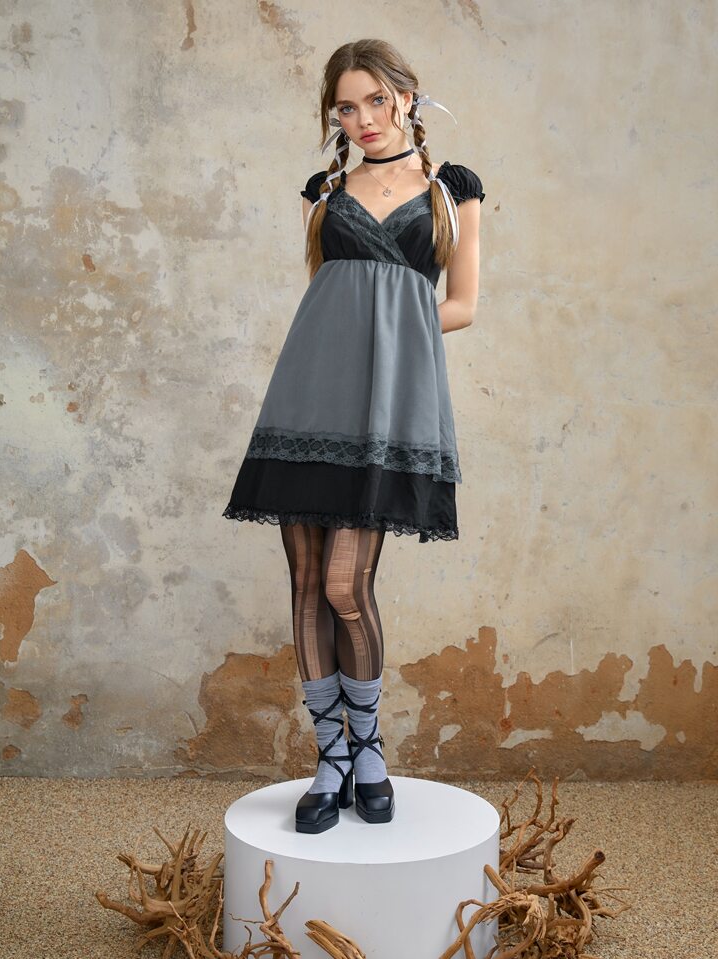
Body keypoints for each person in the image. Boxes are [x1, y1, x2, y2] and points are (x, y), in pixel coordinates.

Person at [222, 38, 484, 834]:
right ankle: (330, 755)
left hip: (386, 406)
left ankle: (367, 744)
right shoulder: (323, 192)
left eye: (376, 99)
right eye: (345, 106)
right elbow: (326, 302)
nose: (363, 118)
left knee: (345, 584)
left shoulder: (451, 191)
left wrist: (392, 343)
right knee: (306, 581)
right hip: (310, 397)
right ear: (333, 115)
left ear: (407, 96)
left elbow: (462, 305)